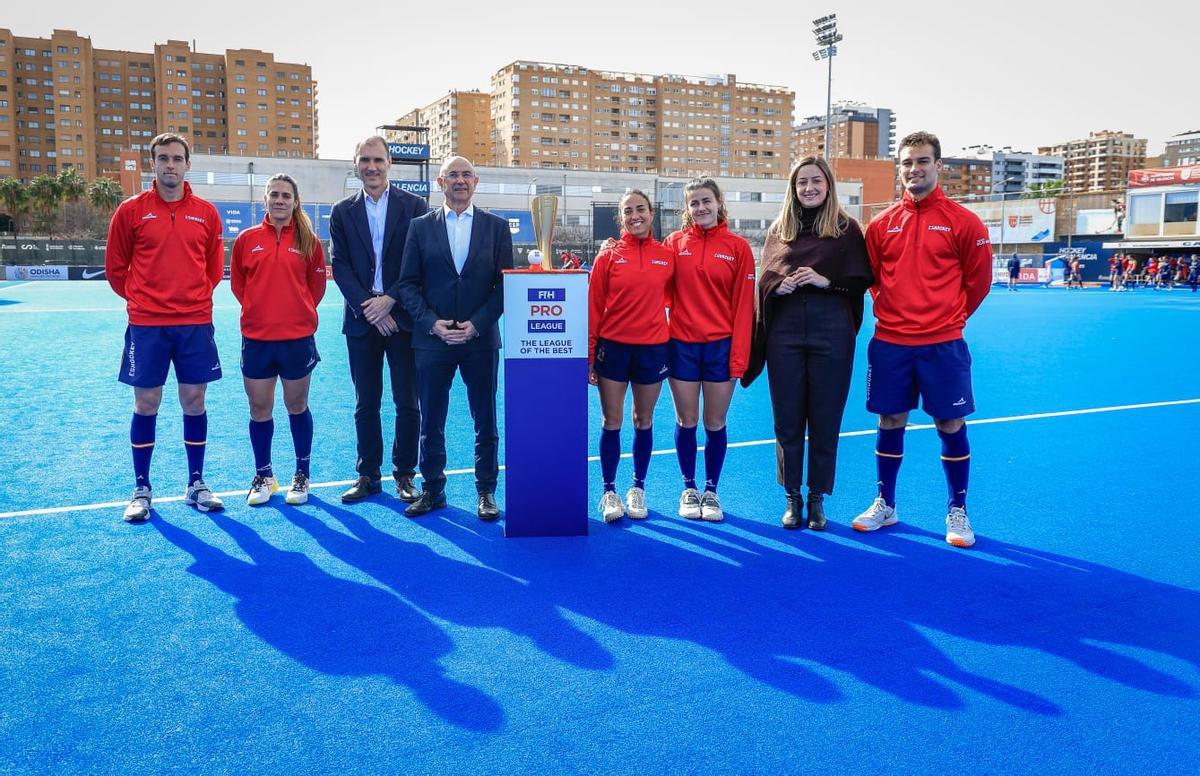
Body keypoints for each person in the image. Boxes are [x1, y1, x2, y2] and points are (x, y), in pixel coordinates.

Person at [851, 131, 992, 548]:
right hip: (891, 342)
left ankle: (958, 510)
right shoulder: (882, 224)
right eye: (908, 162)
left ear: (938, 166)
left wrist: (948, 317)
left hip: (943, 344)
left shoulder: (964, 222)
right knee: (889, 420)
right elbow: (873, 279)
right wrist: (894, 311)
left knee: (950, 423)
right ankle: (886, 503)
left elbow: (979, 282)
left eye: (923, 161)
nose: (914, 169)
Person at [742, 157, 873, 530]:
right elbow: (764, 279)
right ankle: (792, 496)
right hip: (785, 333)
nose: (809, 188)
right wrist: (777, 286)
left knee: (825, 416)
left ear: (828, 185)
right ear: (793, 188)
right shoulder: (779, 230)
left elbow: (861, 280)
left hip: (831, 330)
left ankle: (817, 497)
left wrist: (825, 281)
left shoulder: (846, 229)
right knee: (787, 417)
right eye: (802, 182)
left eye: (816, 181)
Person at [105, 133, 225, 523]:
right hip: (147, 325)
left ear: (188, 164)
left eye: (176, 158)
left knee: (194, 400)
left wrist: (190, 299)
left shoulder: (206, 212)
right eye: (163, 158)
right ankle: (142, 489)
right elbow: (116, 268)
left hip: (194, 323)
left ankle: (196, 484)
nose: (170, 165)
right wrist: (144, 301)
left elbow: (212, 269)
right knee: (146, 404)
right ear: (153, 164)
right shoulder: (130, 211)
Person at [397, 156, 513, 520]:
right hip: (433, 341)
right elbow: (407, 284)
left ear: (475, 181)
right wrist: (432, 324)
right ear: (440, 182)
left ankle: (486, 492)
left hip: (480, 340)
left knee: (485, 420)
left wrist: (476, 325)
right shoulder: (419, 227)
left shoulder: (496, 228)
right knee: (431, 420)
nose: (459, 181)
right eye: (452, 175)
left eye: (466, 175)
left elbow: (503, 286)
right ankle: (433, 490)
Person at [329, 136, 430, 504]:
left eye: (377, 160)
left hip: (402, 319)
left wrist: (390, 300)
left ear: (389, 163)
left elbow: (419, 262)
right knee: (366, 402)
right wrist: (368, 307)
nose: (371, 167)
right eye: (365, 160)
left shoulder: (415, 206)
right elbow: (339, 265)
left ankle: (405, 474)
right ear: (356, 164)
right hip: (362, 321)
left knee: (408, 401)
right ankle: (368, 475)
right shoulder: (342, 211)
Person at [661, 178, 755, 523]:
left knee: (715, 422)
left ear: (718, 203)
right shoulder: (673, 243)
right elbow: (654, 283)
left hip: (720, 348)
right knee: (686, 420)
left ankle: (712, 490)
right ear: (687, 208)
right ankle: (689, 488)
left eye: (706, 201)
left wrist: (739, 357)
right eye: (694, 203)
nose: (700, 208)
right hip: (681, 346)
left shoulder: (738, 248)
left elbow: (744, 308)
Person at [230, 174, 327, 506]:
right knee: (259, 408)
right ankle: (265, 476)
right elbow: (239, 286)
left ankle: (302, 475)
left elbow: (316, 289)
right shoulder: (246, 240)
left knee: (296, 406)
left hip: (296, 339)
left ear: (295, 201)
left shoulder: (309, 241)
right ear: (265, 200)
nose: (280, 200)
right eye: (274, 194)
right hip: (257, 339)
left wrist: (295, 313)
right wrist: (261, 311)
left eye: (286, 195)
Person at [588, 190, 674, 523]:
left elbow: (675, 297)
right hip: (614, 348)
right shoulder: (608, 256)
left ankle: (637, 488)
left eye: (640, 209)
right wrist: (590, 356)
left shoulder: (666, 256)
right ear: (621, 218)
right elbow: (594, 307)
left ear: (651, 214)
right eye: (628, 211)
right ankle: (609, 491)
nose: (635, 215)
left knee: (643, 420)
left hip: (652, 349)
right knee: (612, 421)